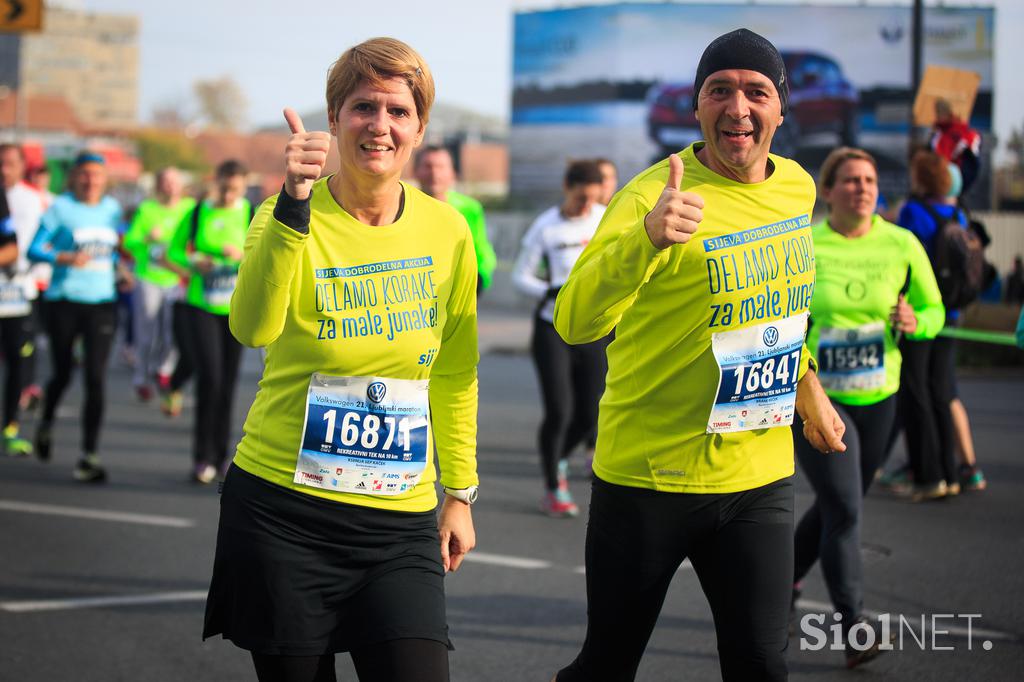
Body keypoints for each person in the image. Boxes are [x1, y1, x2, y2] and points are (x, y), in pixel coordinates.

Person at [550, 29, 844, 682]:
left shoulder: (796, 188)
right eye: (720, 90)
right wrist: (646, 242)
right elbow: (574, 321)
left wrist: (807, 383)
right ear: (697, 106)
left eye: (756, 91)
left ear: (780, 110)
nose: (737, 106)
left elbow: (780, 304)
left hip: (758, 476)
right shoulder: (648, 197)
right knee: (606, 667)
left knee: (761, 664)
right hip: (649, 479)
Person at [203, 38, 478, 682]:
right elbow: (250, 328)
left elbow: (456, 370)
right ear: (333, 119)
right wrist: (295, 205)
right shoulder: (282, 214)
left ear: (418, 128)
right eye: (362, 107)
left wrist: (459, 493)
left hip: (398, 522)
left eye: (398, 111)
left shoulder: (449, 230)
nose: (379, 125)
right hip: (283, 514)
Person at [791, 147, 944, 668]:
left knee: (840, 503)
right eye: (851, 180)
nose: (862, 188)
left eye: (871, 179)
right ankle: (855, 626)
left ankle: (783, 580)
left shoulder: (901, 243)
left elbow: (934, 309)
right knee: (846, 507)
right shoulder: (806, 243)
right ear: (829, 191)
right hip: (817, 398)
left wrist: (914, 320)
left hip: (880, 396)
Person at [512, 159, 608, 517]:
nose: (585, 205)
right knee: (560, 412)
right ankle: (553, 486)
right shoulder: (546, 226)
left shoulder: (604, 219)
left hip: (594, 328)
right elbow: (521, 277)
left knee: (590, 414)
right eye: (580, 197)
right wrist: (550, 290)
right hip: (552, 329)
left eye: (592, 198)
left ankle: (562, 458)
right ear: (567, 188)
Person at [28, 151, 126, 482]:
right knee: (63, 373)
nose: (90, 180)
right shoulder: (60, 209)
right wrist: (65, 257)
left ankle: (89, 455)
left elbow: (112, 251)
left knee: (96, 379)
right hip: (64, 301)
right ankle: (46, 422)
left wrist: (122, 269)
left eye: (96, 174)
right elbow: (33, 249)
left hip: (101, 302)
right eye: (84, 174)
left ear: (104, 178)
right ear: (73, 177)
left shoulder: (112, 210)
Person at [166, 160, 250, 484]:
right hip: (201, 306)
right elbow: (172, 252)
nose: (229, 195)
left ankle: (221, 456)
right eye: (225, 188)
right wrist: (194, 261)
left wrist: (242, 255)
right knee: (210, 379)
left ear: (243, 186)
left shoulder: (251, 212)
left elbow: (265, 253)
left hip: (235, 309)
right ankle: (201, 457)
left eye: (236, 189)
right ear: (216, 183)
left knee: (227, 385)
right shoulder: (199, 212)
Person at [896, 150, 972, 500]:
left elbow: (899, 255)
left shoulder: (913, 211)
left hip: (919, 312)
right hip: (952, 314)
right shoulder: (958, 213)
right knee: (942, 392)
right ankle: (952, 472)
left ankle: (927, 476)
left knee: (916, 392)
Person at [122, 167, 196, 402]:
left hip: (177, 279)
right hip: (149, 278)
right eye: (166, 181)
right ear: (158, 185)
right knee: (147, 333)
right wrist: (146, 238)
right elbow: (129, 242)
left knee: (173, 331)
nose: (170, 186)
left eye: (175, 182)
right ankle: (141, 377)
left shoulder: (189, 209)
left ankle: (164, 369)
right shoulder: (147, 209)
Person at [0, 144, 45, 452]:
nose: (4, 169)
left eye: (10, 163)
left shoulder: (33, 200)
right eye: (0, 163)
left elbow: (34, 244)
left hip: (20, 292)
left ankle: (10, 426)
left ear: (21, 167)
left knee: (19, 360)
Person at [414, 145, 497, 295]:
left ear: (453, 173)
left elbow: (481, 251)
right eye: (428, 166)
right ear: (415, 172)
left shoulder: (470, 209)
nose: (434, 173)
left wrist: (479, 280)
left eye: (441, 167)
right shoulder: (404, 206)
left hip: (459, 290)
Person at [930, 98, 981, 197]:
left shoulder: (960, 132)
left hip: (953, 177)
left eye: (940, 112)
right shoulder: (937, 134)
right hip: (943, 177)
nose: (937, 116)